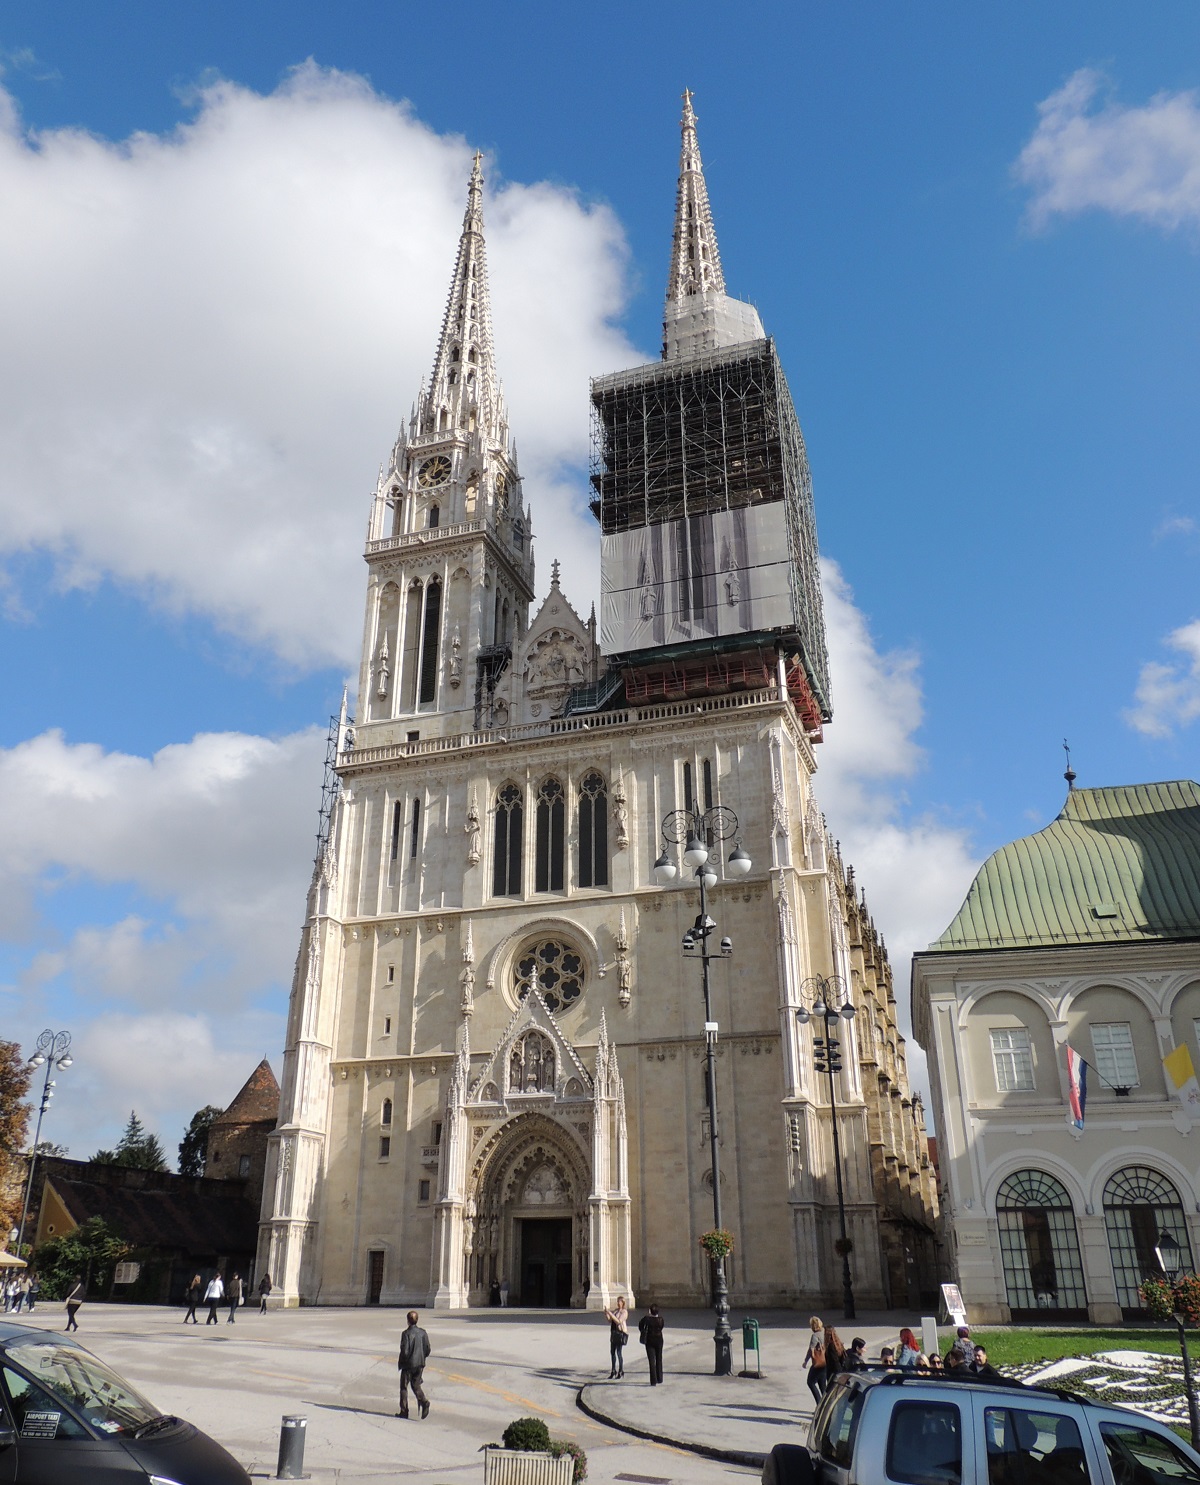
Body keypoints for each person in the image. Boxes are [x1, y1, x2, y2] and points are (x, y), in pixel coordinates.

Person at [397, 1310, 432, 1419]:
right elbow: (428, 1349)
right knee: (416, 1385)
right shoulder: (423, 1333)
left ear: (408, 1321)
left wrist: (402, 1362)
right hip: (420, 1364)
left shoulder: (406, 1334)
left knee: (404, 1387)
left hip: (409, 1365)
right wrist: (422, 1358)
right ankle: (424, 1401)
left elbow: (405, 1351)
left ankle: (404, 1411)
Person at [638, 1304, 665, 1386]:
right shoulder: (661, 1320)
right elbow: (661, 1327)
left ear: (650, 1311)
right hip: (659, 1340)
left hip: (649, 1341)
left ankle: (653, 1380)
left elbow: (640, 1326)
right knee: (659, 1359)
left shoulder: (646, 1319)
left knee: (651, 1361)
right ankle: (659, 1378)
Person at [802, 1316, 827, 1403]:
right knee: (823, 1386)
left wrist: (805, 1361)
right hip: (825, 1363)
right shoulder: (825, 1333)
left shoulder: (815, 1336)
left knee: (810, 1382)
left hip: (818, 1364)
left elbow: (811, 1350)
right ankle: (825, 1406)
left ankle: (819, 1404)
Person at [604, 1296, 629, 1378]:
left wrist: (610, 1313)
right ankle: (613, 1370)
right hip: (614, 1333)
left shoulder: (624, 1312)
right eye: (617, 1301)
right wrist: (606, 1313)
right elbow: (610, 1320)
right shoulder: (615, 1311)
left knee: (619, 1352)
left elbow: (618, 1321)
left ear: (623, 1303)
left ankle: (621, 1370)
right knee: (612, 1352)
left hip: (620, 1333)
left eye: (619, 1301)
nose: (618, 1303)